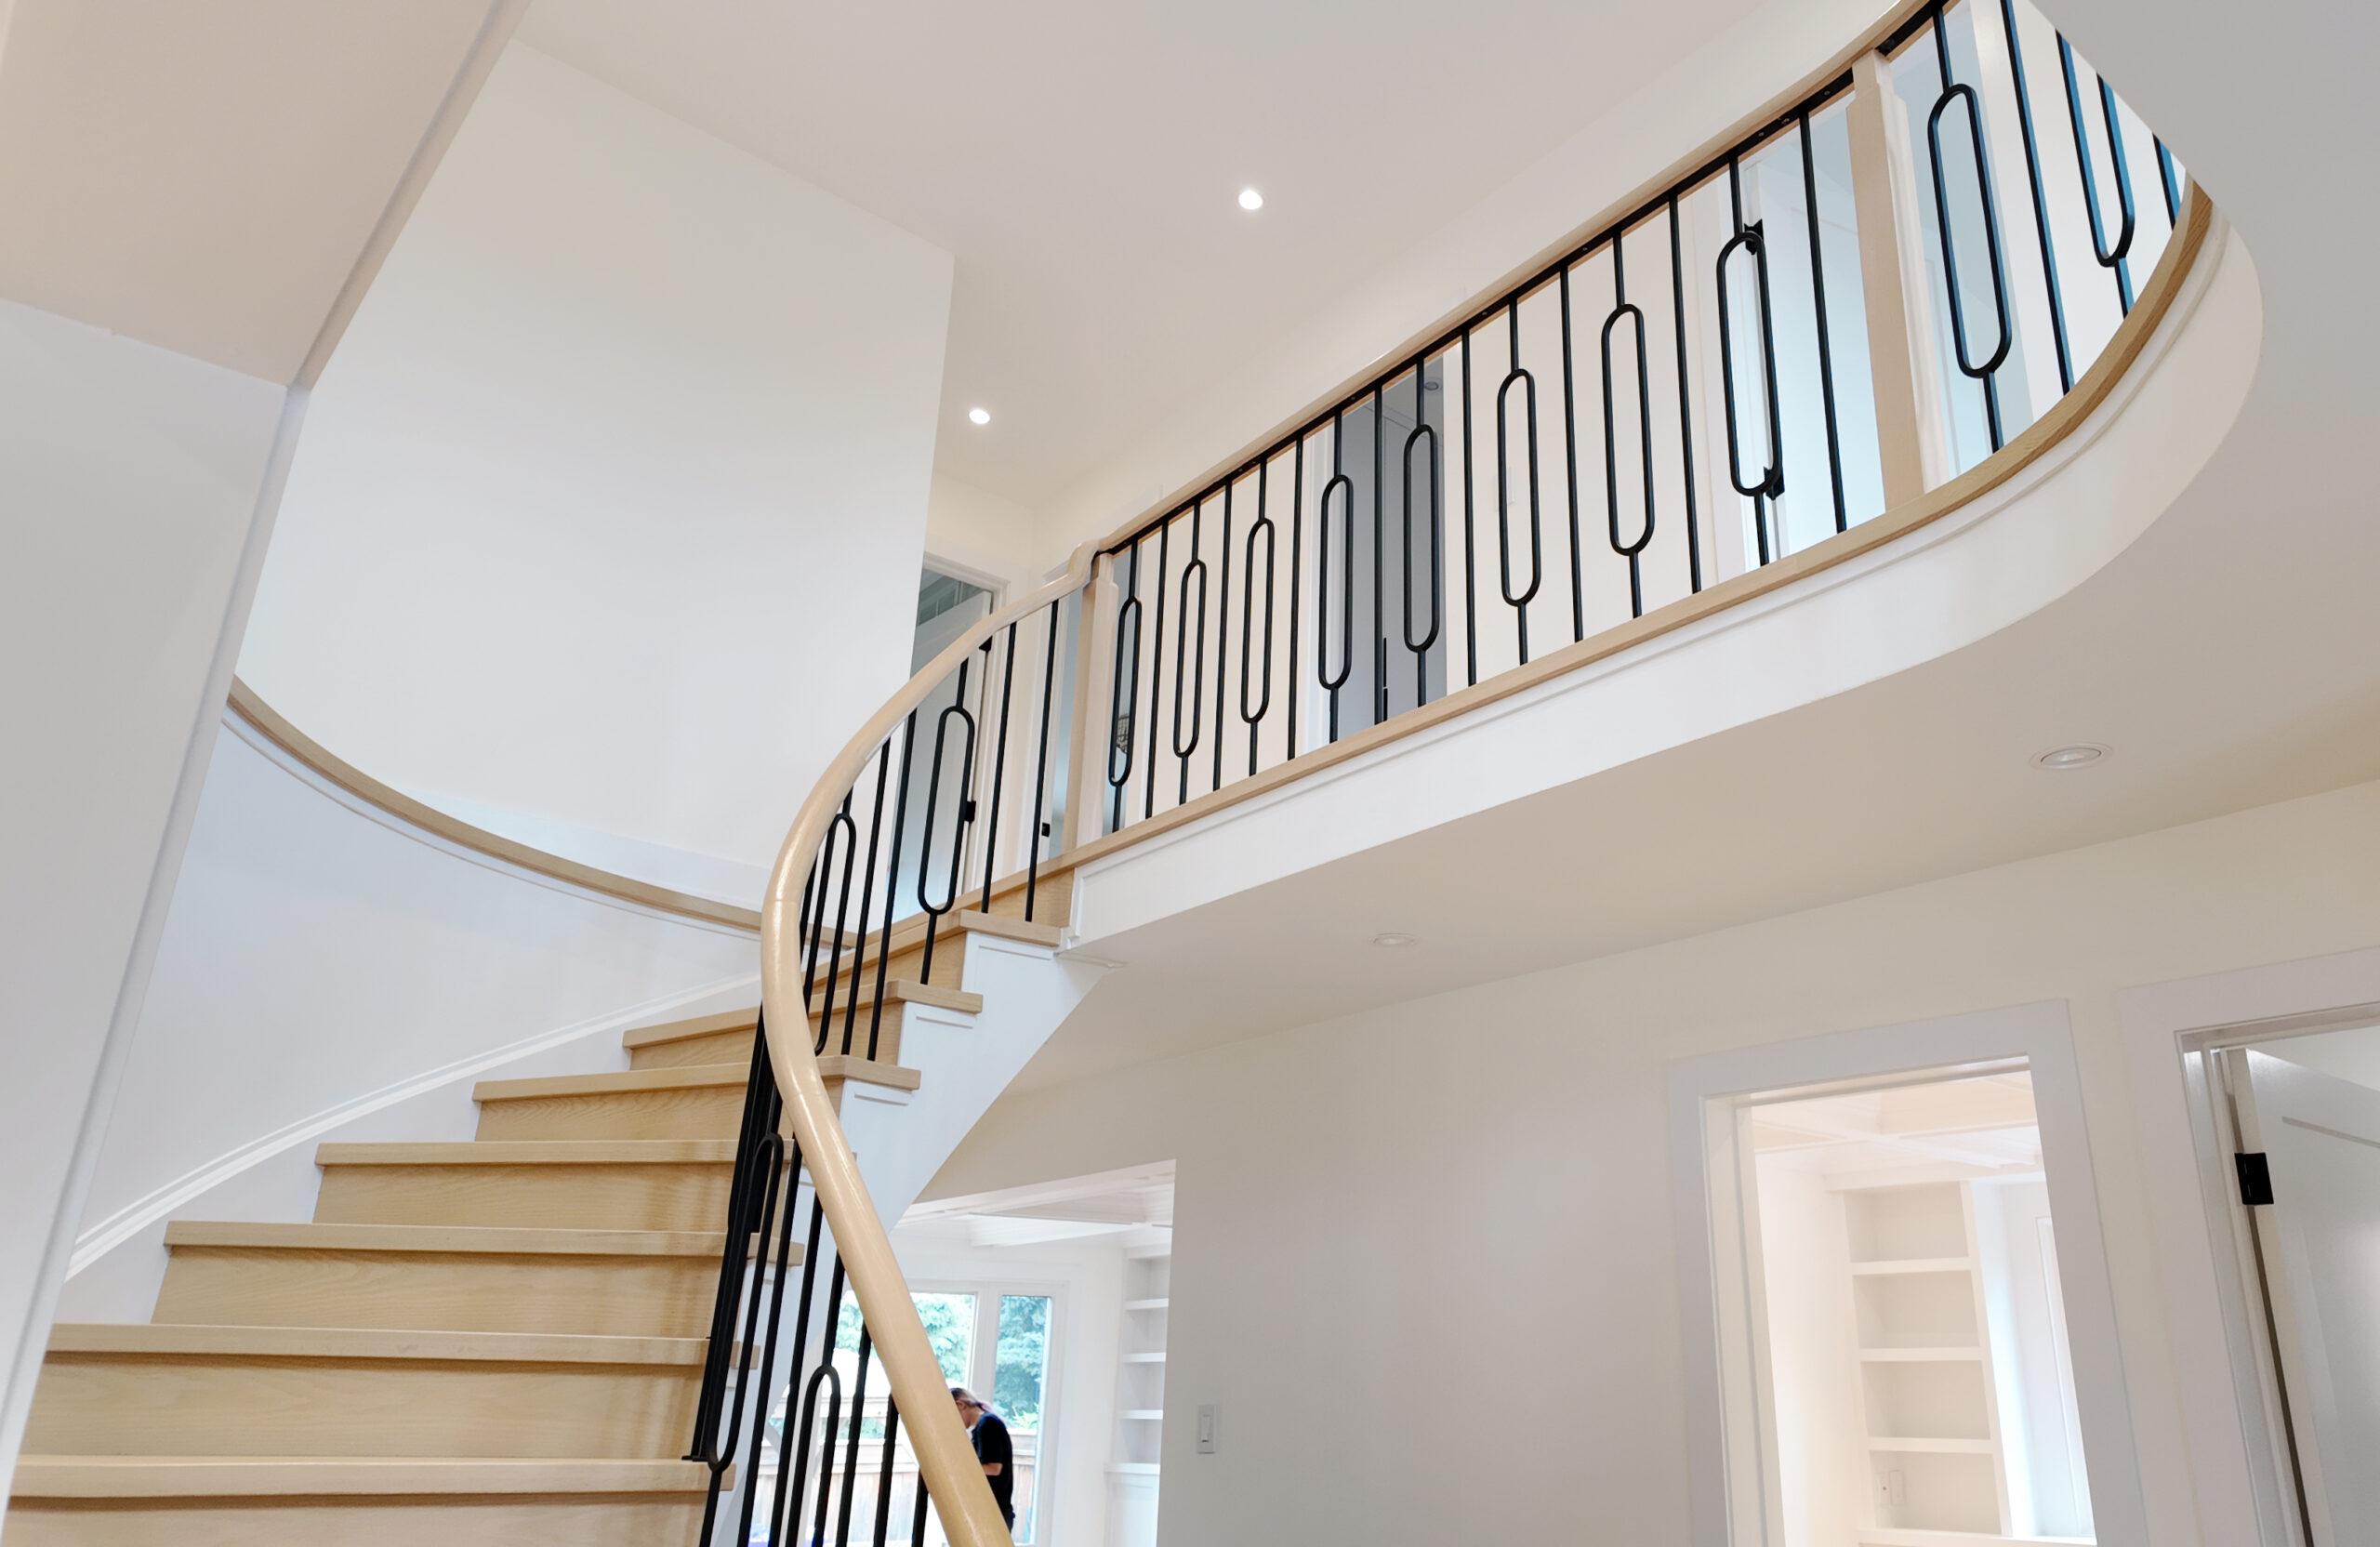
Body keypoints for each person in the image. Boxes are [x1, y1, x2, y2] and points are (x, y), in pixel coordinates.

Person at [950, 1386, 1015, 1529]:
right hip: (995, 1511)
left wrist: (958, 1470)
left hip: (995, 1513)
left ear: (960, 1405)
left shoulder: (987, 1424)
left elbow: (993, 1468)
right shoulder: (984, 1425)